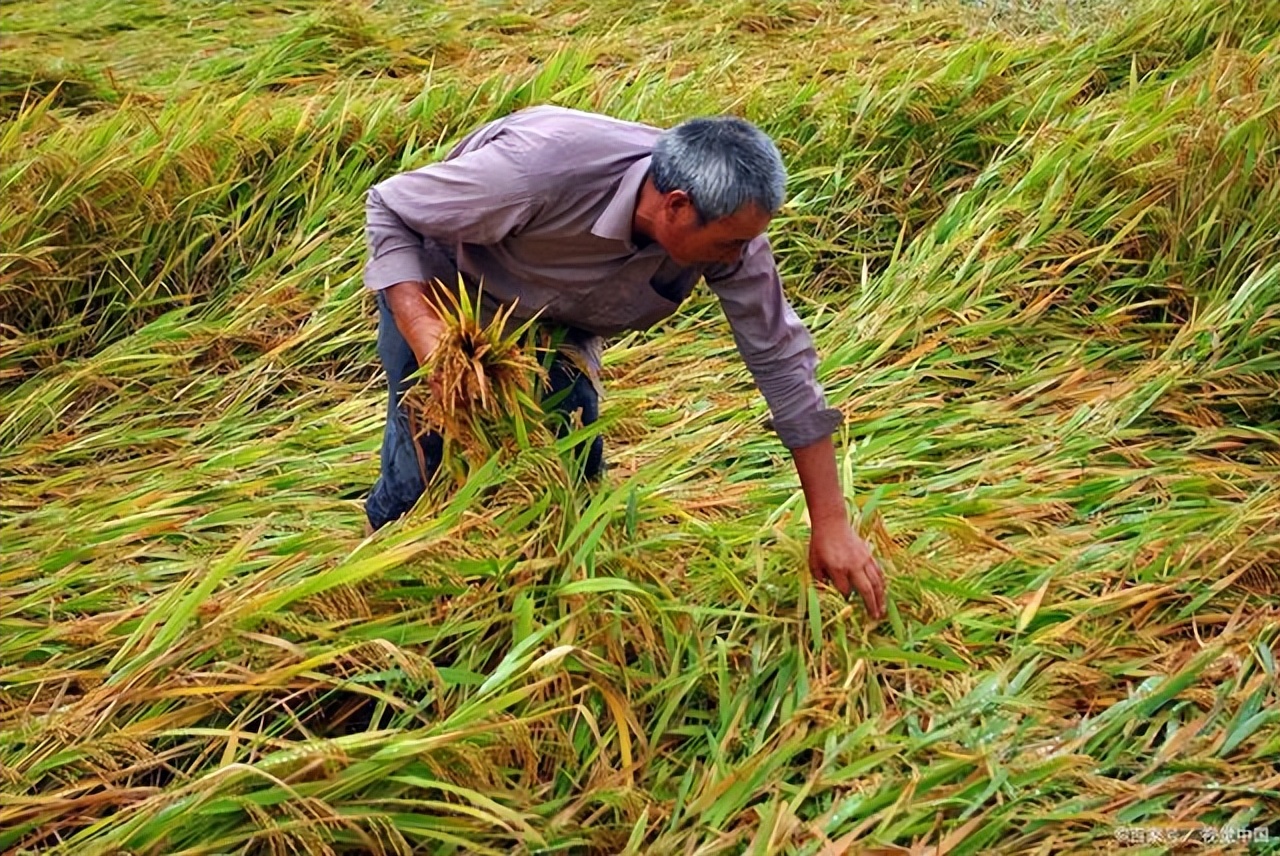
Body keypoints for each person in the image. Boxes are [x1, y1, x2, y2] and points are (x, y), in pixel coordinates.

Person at [361, 105, 886, 619]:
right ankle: (381, 574)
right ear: (677, 206)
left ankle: (538, 603)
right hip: (448, 287)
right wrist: (429, 336)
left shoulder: (732, 231)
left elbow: (780, 359)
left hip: (559, 314)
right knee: (428, 450)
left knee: (569, 475)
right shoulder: (536, 171)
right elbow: (391, 206)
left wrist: (831, 522)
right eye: (728, 243)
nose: (736, 257)